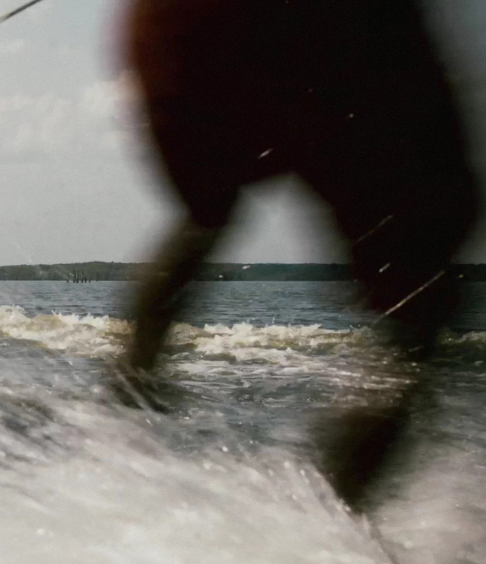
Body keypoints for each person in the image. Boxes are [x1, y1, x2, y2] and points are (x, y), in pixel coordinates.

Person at [118, 0, 480, 513]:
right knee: (416, 310)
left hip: (190, 27)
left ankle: (116, 437)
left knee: (206, 213)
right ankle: (325, 524)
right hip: (345, 36)